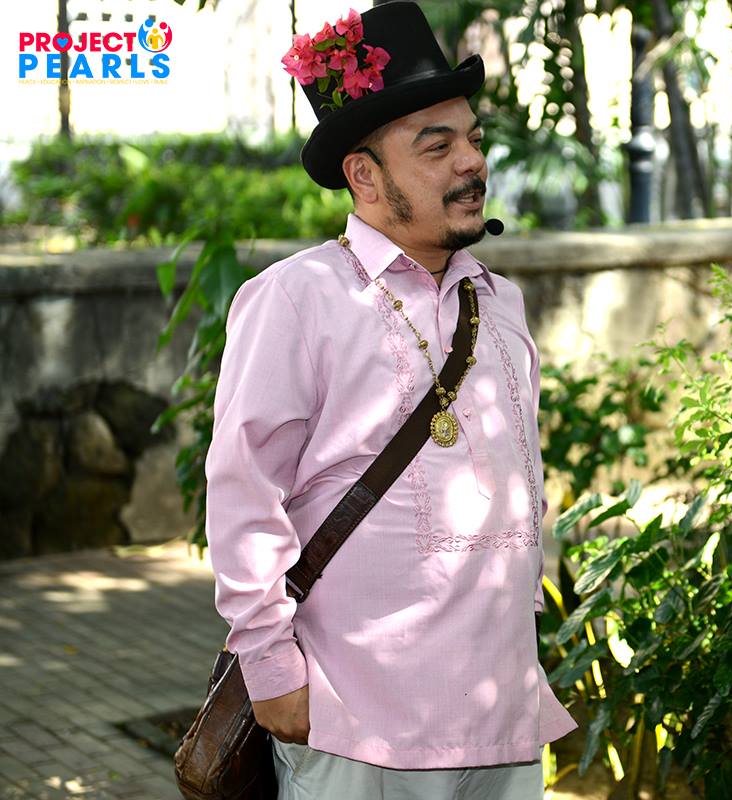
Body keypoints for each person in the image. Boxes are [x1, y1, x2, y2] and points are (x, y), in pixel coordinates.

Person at [205, 3, 576, 797]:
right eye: (436, 147)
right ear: (364, 176)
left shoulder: (499, 303)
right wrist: (270, 667)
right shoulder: (296, 299)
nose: (471, 163)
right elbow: (243, 494)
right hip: (357, 724)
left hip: (503, 717)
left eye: (473, 138)